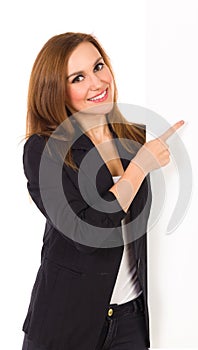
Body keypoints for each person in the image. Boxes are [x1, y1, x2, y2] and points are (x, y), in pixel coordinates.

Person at [21, 32, 184, 350]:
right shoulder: (43, 150)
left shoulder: (133, 138)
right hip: (64, 322)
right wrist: (140, 168)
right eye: (78, 77)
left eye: (98, 67)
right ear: (57, 90)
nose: (97, 83)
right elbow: (87, 233)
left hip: (129, 321)